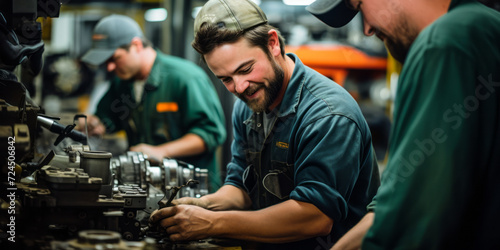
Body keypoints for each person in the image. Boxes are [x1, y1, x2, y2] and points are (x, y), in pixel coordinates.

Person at [149, 0, 380, 249]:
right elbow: (241, 187)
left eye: (246, 69)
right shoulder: (248, 105)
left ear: (272, 44)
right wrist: (203, 205)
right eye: (225, 78)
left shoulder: (327, 115)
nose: (239, 87)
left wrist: (213, 223)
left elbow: (314, 217)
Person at [307, 0, 500, 249]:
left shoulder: (446, 42)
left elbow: (411, 221)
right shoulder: (483, 25)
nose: (367, 29)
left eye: (359, 6)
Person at [80, 14, 227, 191]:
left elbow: (210, 134)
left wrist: (162, 151)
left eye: (115, 58)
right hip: (145, 187)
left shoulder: (185, 78)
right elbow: (109, 117)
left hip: (190, 189)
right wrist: (97, 124)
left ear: (136, 45)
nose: (110, 67)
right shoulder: (122, 82)